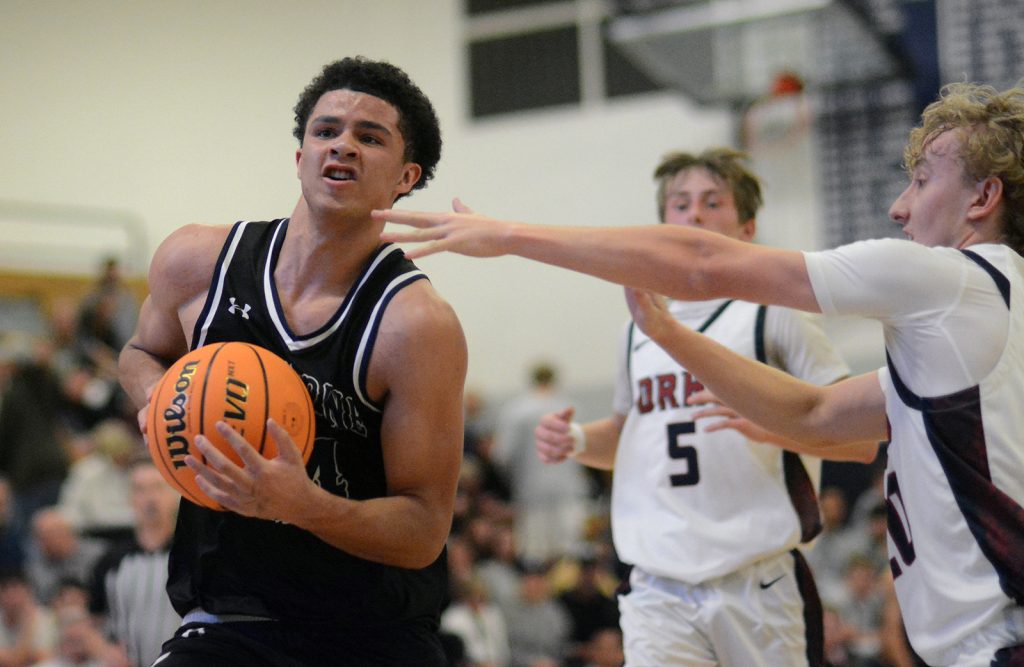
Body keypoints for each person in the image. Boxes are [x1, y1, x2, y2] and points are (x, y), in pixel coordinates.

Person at [373, 81, 1024, 666]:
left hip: (919, 619)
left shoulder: (945, 282)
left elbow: (702, 265)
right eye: (680, 204)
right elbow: (819, 414)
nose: (899, 206)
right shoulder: (984, 310)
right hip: (668, 581)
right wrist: (665, 336)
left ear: (984, 196)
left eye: (921, 181)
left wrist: (510, 235)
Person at [117, 56, 467, 666]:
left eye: (370, 137)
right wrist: (160, 397)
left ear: (406, 177)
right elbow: (141, 351)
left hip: (373, 634)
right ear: (300, 155)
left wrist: (303, 505)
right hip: (231, 619)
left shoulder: (416, 325)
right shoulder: (197, 261)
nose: (343, 146)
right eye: (326, 131)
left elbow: (423, 530)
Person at [526, 148, 866, 666]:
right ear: (662, 225)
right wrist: (573, 441)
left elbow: (861, 439)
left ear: (748, 227)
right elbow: (629, 438)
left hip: (756, 578)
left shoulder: (775, 314)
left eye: (712, 202)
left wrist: (770, 427)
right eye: (680, 205)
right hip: (659, 584)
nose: (695, 216)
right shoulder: (637, 327)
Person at [491, 362, 590, 564]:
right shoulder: (572, 408)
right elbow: (586, 451)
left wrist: (510, 481)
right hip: (569, 491)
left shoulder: (516, 411)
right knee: (570, 556)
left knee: (535, 557)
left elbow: (502, 455)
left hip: (531, 492)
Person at [88, 457, 181, 667]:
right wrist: (104, 650)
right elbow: (92, 618)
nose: (150, 498)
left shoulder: (192, 557)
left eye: (157, 488)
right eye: (140, 490)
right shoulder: (111, 561)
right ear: (129, 499)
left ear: (174, 494)